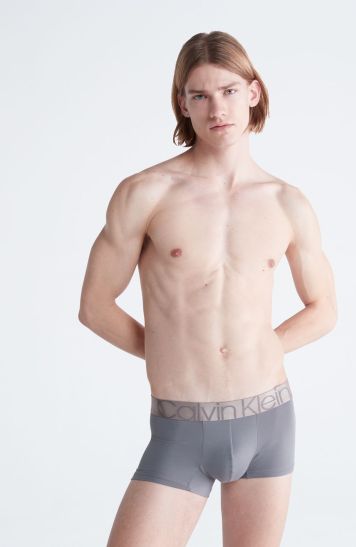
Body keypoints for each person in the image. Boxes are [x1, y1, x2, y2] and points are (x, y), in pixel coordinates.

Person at [78, 30, 337, 547]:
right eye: (200, 95)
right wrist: (172, 349)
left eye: (229, 91)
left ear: (253, 93)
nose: (217, 108)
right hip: (180, 427)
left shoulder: (287, 202)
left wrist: (270, 345)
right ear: (183, 103)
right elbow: (94, 306)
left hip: (268, 420)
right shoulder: (145, 193)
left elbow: (324, 308)